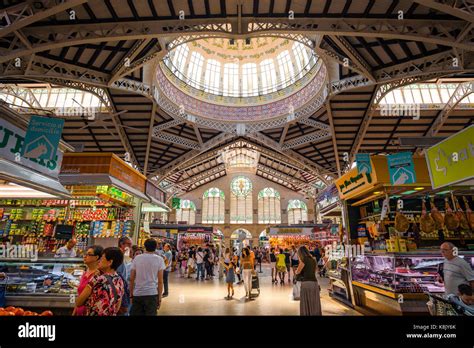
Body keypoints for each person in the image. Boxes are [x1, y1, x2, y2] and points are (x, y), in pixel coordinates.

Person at [75, 247, 125, 316]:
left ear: (110, 262)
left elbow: (78, 302)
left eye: (102, 258)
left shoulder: (97, 278)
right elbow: (117, 307)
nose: (99, 261)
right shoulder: (119, 280)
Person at [129, 239, 165, 316]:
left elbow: (131, 279)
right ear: (156, 247)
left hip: (138, 293)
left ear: (145, 247)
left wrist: (131, 295)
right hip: (152, 294)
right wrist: (159, 298)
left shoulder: (137, 258)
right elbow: (160, 281)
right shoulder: (159, 259)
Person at [72, 245, 103, 316]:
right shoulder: (85, 273)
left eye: (89, 254)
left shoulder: (99, 275)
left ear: (97, 257)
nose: (85, 256)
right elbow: (80, 297)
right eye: (85, 254)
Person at [295, 245, 322, 316]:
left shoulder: (304, 260)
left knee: (305, 302)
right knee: (314, 302)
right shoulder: (313, 259)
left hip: (306, 283)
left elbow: (298, 271)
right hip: (314, 283)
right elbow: (316, 270)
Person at [116, 236, 132, 315]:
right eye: (128, 244)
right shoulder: (117, 256)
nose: (130, 247)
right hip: (119, 290)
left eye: (130, 245)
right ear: (121, 244)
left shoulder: (124, 257)